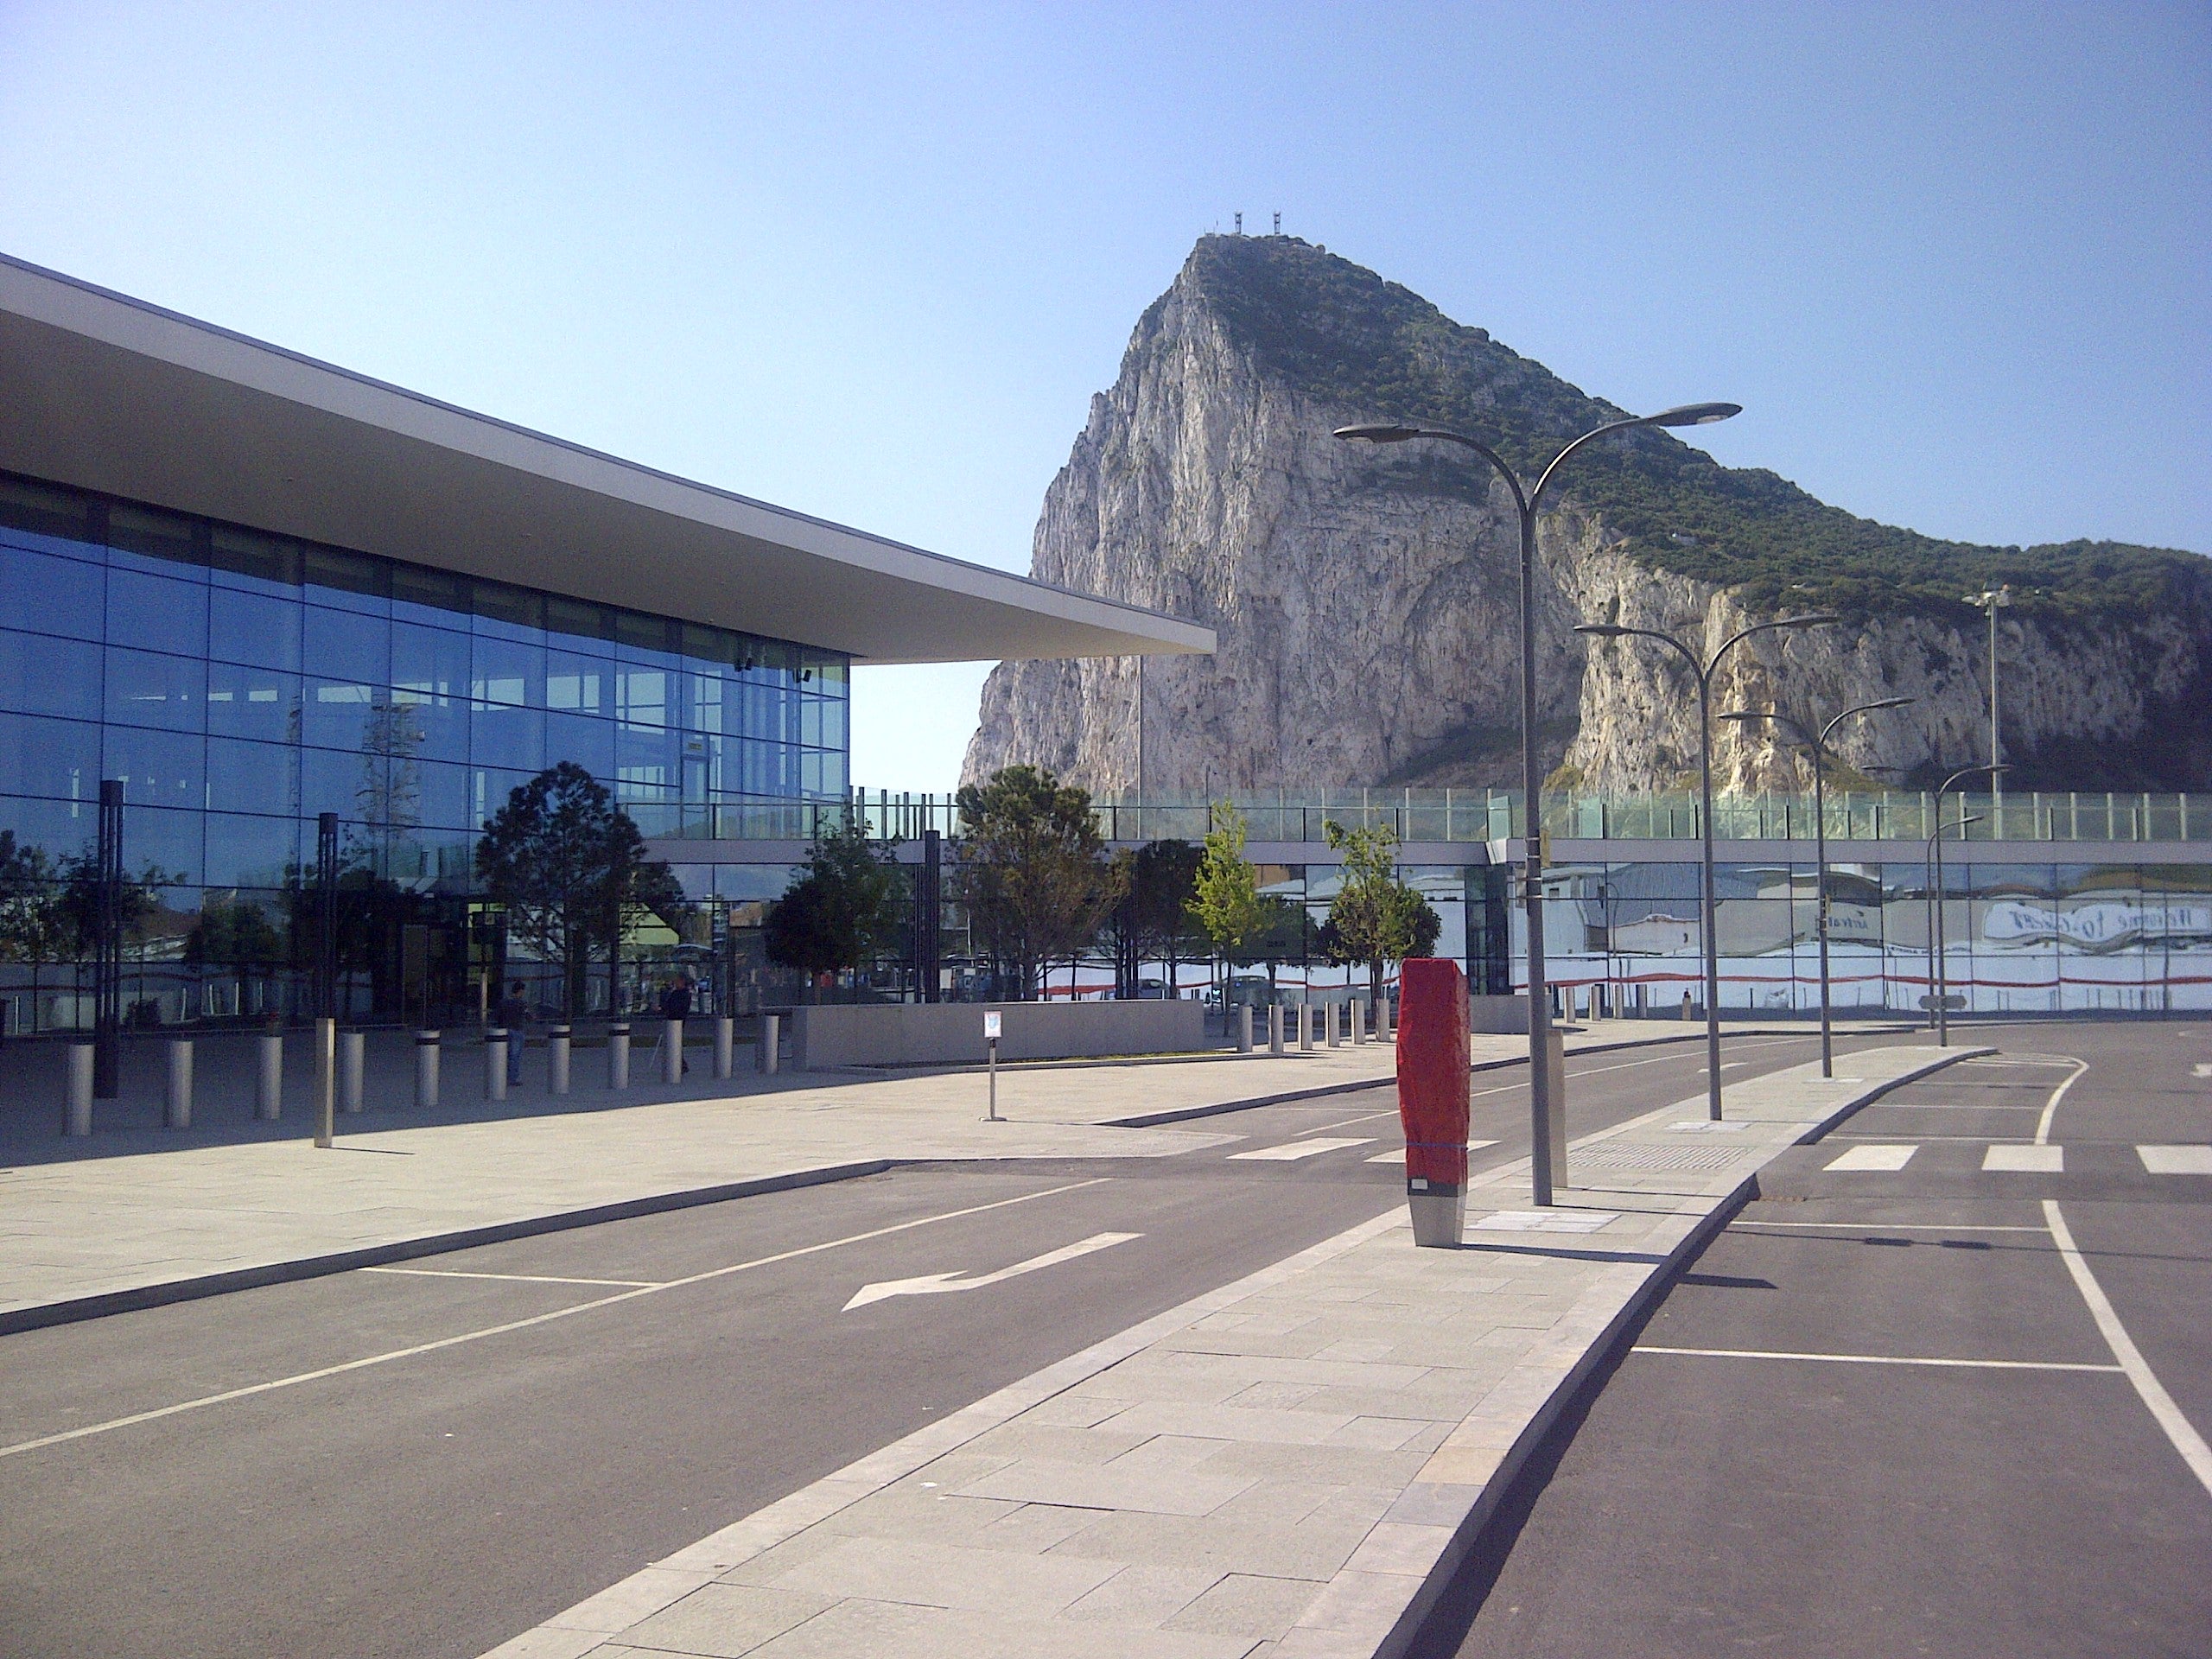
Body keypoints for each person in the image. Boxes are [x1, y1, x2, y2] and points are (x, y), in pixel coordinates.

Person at [498, 979, 531, 1086]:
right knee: (515, 1056)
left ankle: (501, 1076)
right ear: (520, 991)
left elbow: (498, 1016)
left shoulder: (504, 1002)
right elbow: (528, 1016)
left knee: (505, 1055)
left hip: (505, 1030)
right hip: (517, 1030)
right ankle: (512, 1078)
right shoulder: (521, 1003)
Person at [659, 974, 692, 1075]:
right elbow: (668, 1005)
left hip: (678, 1020)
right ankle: (680, 1063)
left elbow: (679, 1008)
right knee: (673, 1041)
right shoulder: (675, 993)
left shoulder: (685, 994)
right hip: (671, 1020)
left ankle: (680, 1064)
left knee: (675, 1041)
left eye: (677, 981)